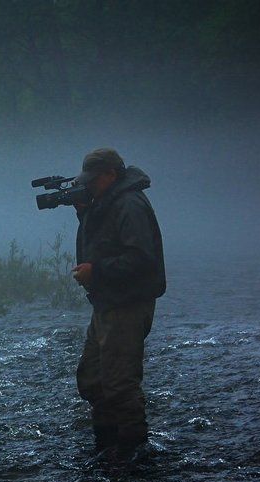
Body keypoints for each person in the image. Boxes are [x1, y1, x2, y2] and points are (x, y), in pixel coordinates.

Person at [71, 148, 166, 458]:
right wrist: (85, 213)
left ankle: (134, 455)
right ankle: (106, 446)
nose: (89, 186)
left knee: (119, 385)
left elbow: (142, 259)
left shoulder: (129, 204)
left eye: (93, 180)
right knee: (92, 379)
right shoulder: (108, 202)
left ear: (111, 175)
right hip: (108, 304)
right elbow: (104, 241)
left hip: (127, 304)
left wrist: (96, 270)